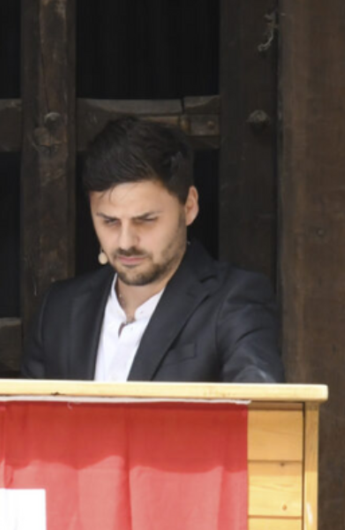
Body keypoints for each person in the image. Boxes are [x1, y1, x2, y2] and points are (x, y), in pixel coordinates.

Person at [22, 117, 284, 383]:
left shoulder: (233, 301)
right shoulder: (59, 309)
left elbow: (258, 404)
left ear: (189, 206)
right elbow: (28, 410)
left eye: (145, 220)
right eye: (110, 222)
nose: (126, 242)